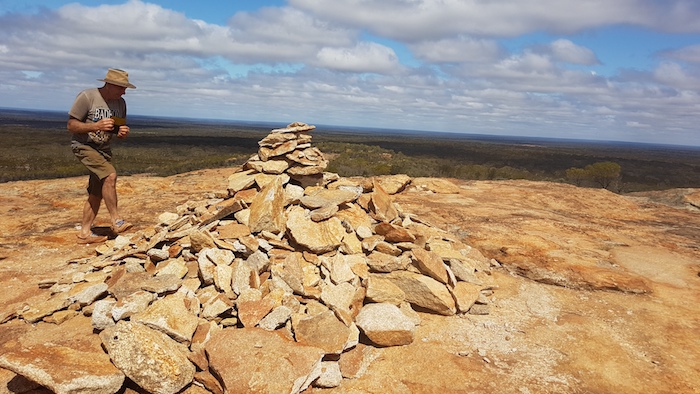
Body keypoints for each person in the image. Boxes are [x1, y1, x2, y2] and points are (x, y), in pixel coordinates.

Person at [67, 68, 135, 244]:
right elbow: (71, 125)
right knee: (110, 176)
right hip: (84, 145)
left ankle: (84, 233)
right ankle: (116, 221)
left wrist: (121, 132)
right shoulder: (87, 97)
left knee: (96, 192)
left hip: (103, 149)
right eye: (121, 87)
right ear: (110, 84)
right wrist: (95, 126)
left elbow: (115, 128)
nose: (124, 91)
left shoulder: (121, 103)